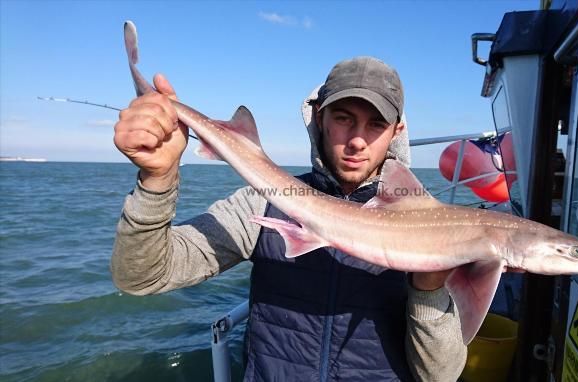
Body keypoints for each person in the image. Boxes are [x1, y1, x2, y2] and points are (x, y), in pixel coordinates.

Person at [111, 56, 467, 381]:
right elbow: (142, 277)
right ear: (318, 117)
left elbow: (441, 376)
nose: (358, 140)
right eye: (343, 119)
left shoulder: (429, 224)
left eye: (376, 124)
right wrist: (157, 182)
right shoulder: (263, 201)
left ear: (397, 131)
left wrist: (428, 290)